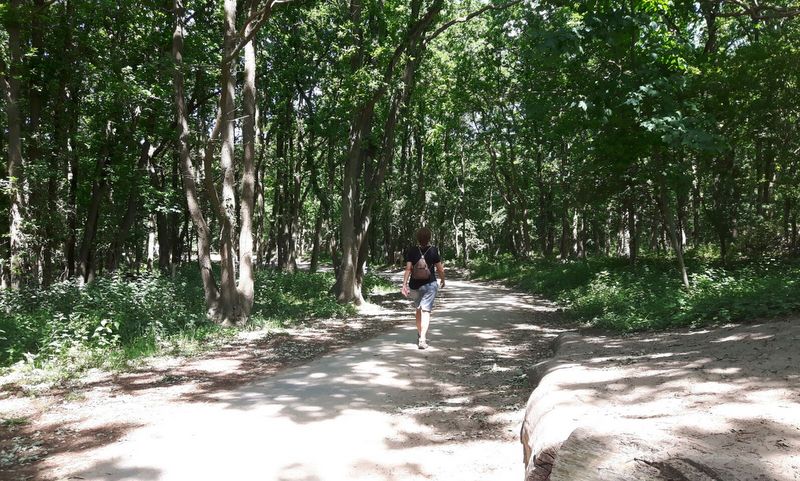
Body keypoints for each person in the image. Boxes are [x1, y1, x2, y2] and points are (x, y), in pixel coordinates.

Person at [401, 227, 445, 349]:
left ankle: (420, 334)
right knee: (426, 311)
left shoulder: (412, 250)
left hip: (414, 285)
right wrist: (443, 280)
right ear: (429, 237)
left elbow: (408, 269)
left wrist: (404, 284)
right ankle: (423, 338)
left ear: (418, 238)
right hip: (430, 285)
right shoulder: (433, 250)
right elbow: (440, 268)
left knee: (418, 309)